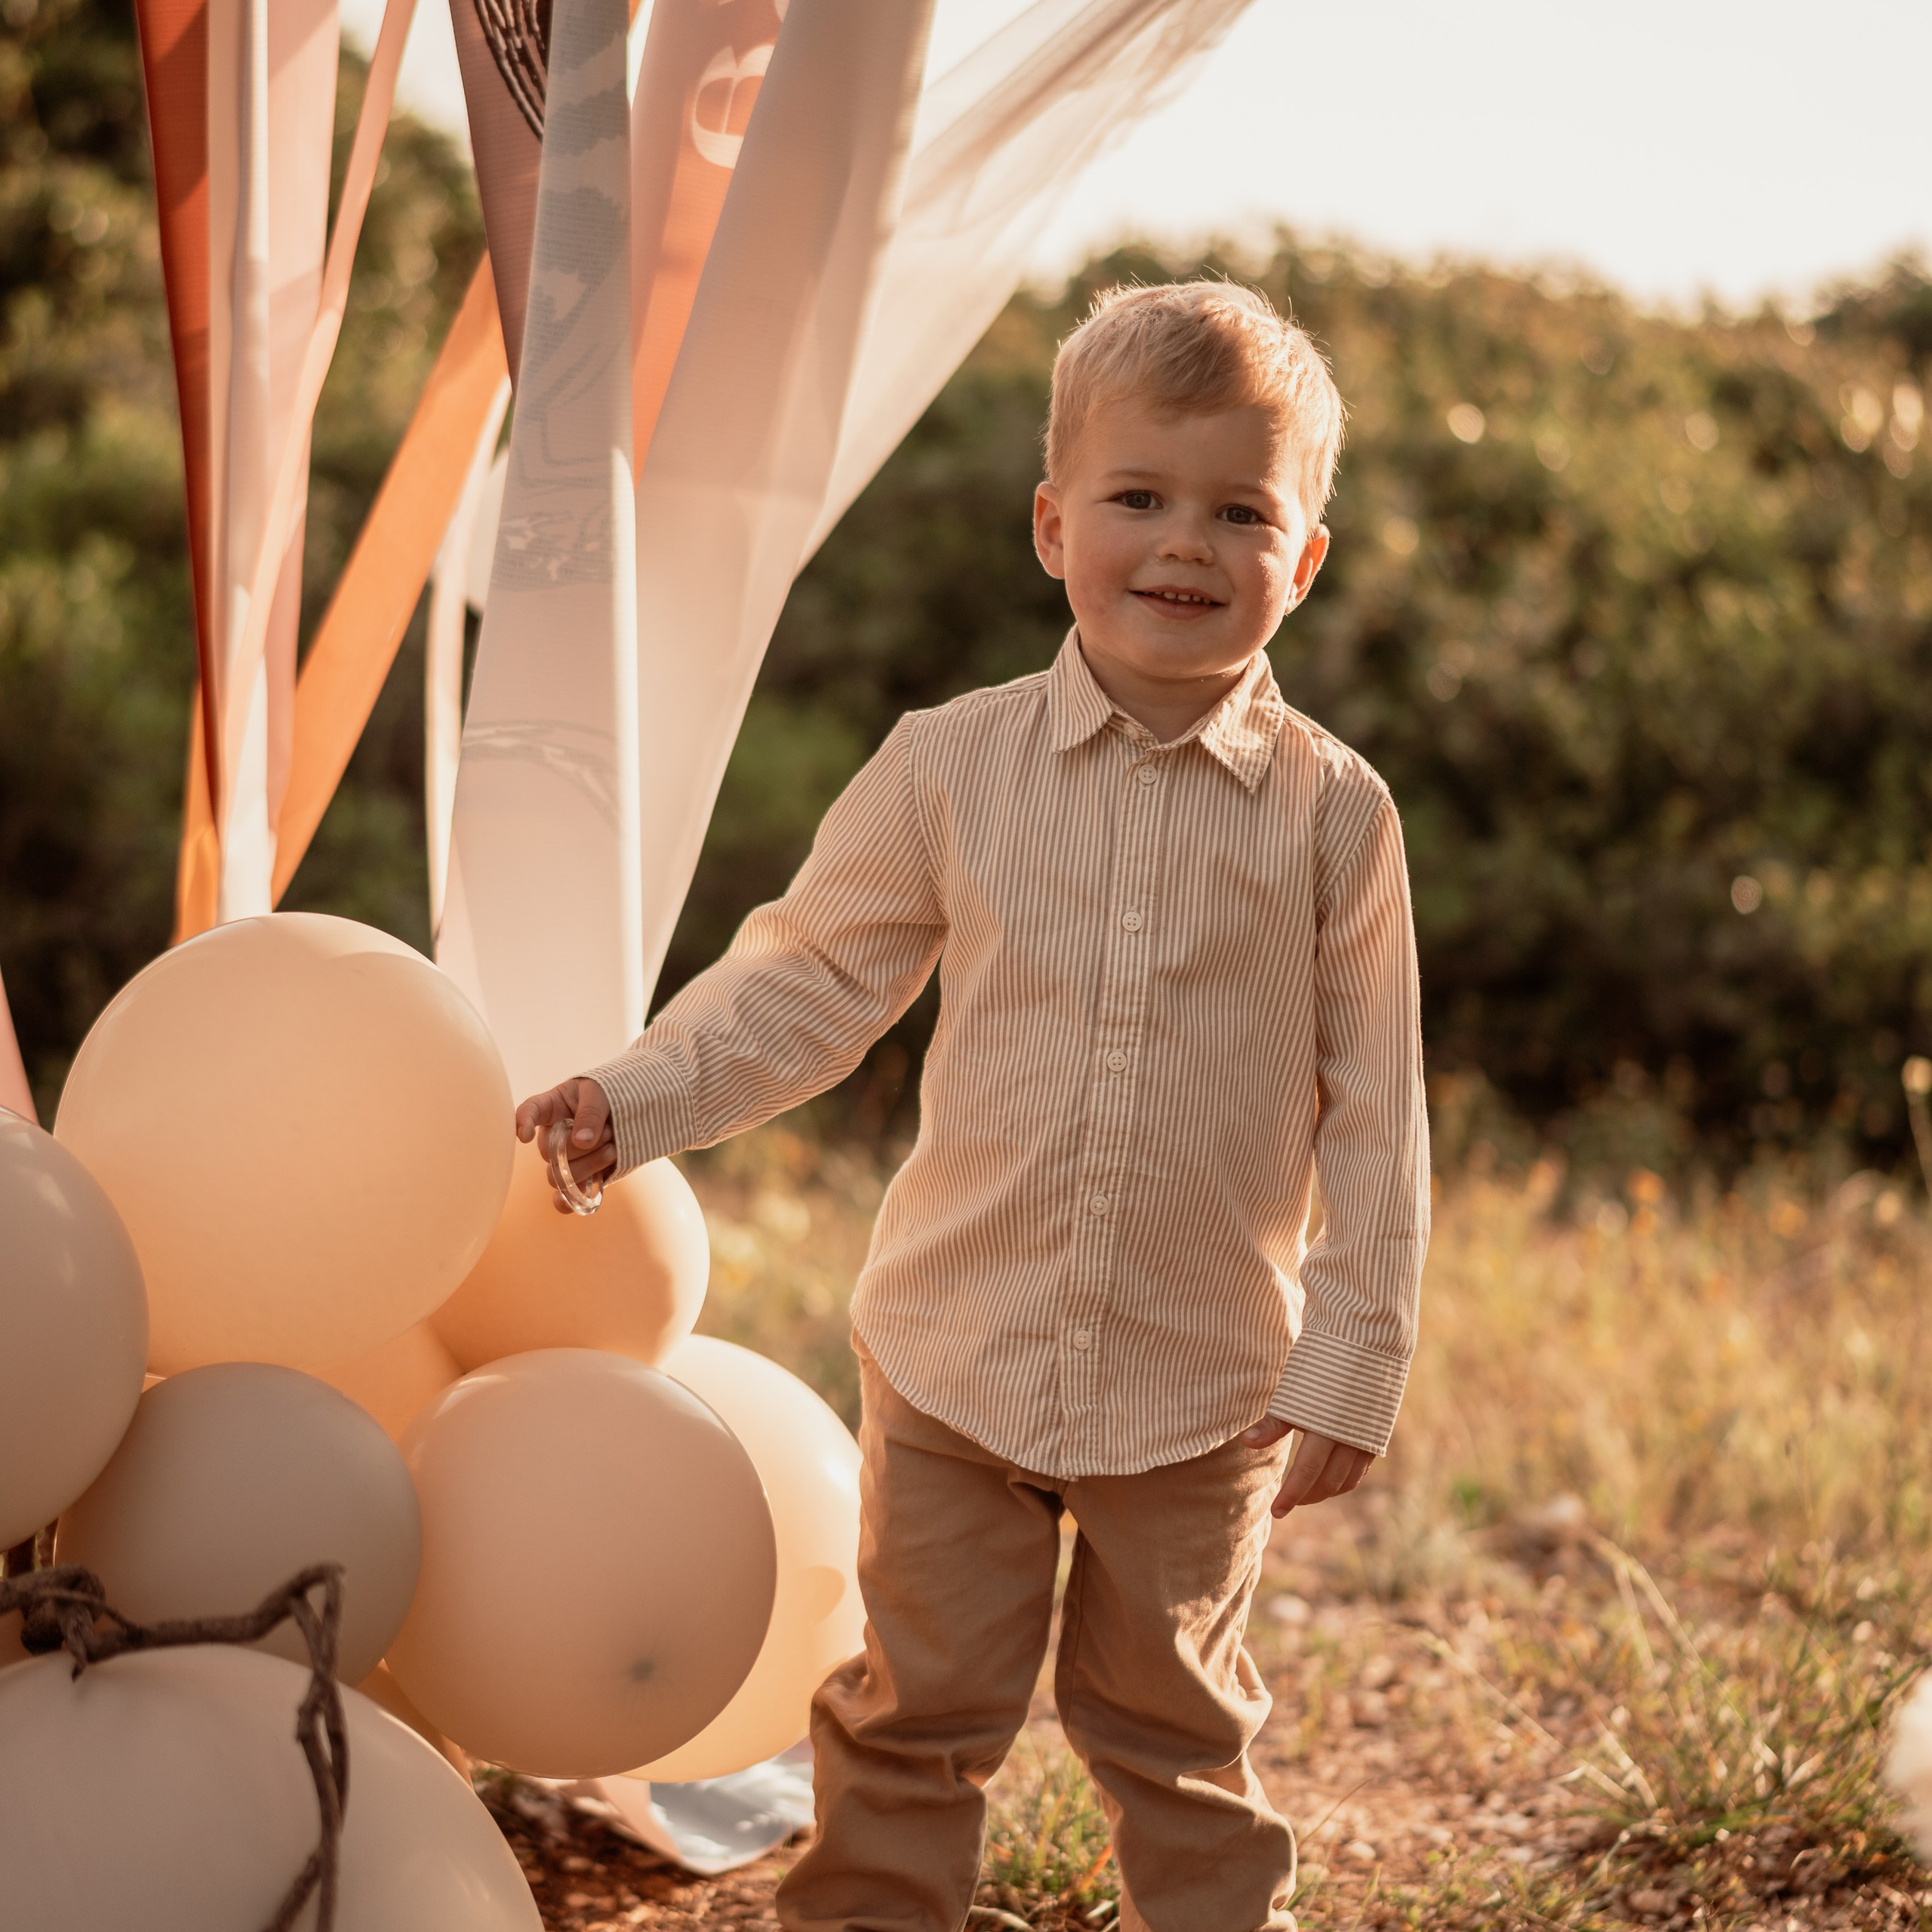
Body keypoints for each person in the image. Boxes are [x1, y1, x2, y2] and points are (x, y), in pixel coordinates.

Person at [517, 279, 1429, 1932]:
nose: (1181, 543)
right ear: (1050, 522)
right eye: (1137, 497)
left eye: (1238, 510)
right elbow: (807, 978)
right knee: (916, 1713)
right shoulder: (950, 765)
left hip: (1199, 1372)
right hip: (957, 1348)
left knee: (1174, 1726)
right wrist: (637, 1093)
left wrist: (1351, 1350)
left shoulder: (1333, 819)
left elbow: (1377, 1103)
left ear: (1298, 561)